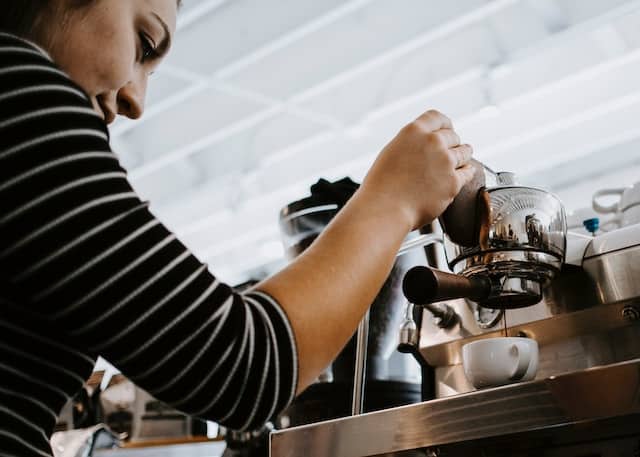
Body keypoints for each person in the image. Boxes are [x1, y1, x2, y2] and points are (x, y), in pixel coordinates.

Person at [0, 0, 474, 455]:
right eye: (144, 42)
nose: (135, 100)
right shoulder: (17, 92)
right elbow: (245, 365)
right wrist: (392, 198)